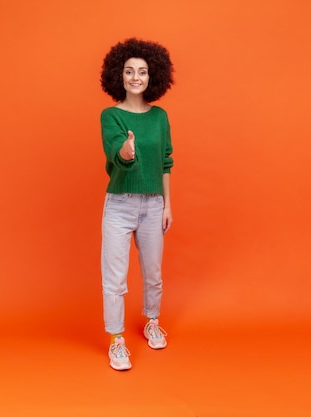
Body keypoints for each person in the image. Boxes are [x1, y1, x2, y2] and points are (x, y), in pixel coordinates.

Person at [99, 38, 175, 371]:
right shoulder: (110, 115)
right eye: (129, 71)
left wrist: (167, 204)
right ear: (119, 75)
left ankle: (152, 321)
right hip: (119, 204)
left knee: (153, 273)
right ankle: (117, 342)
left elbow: (166, 162)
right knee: (114, 278)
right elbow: (117, 151)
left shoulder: (160, 117)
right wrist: (126, 151)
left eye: (142, 72)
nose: (135, 77)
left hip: (153, 204)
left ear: (152, 77)